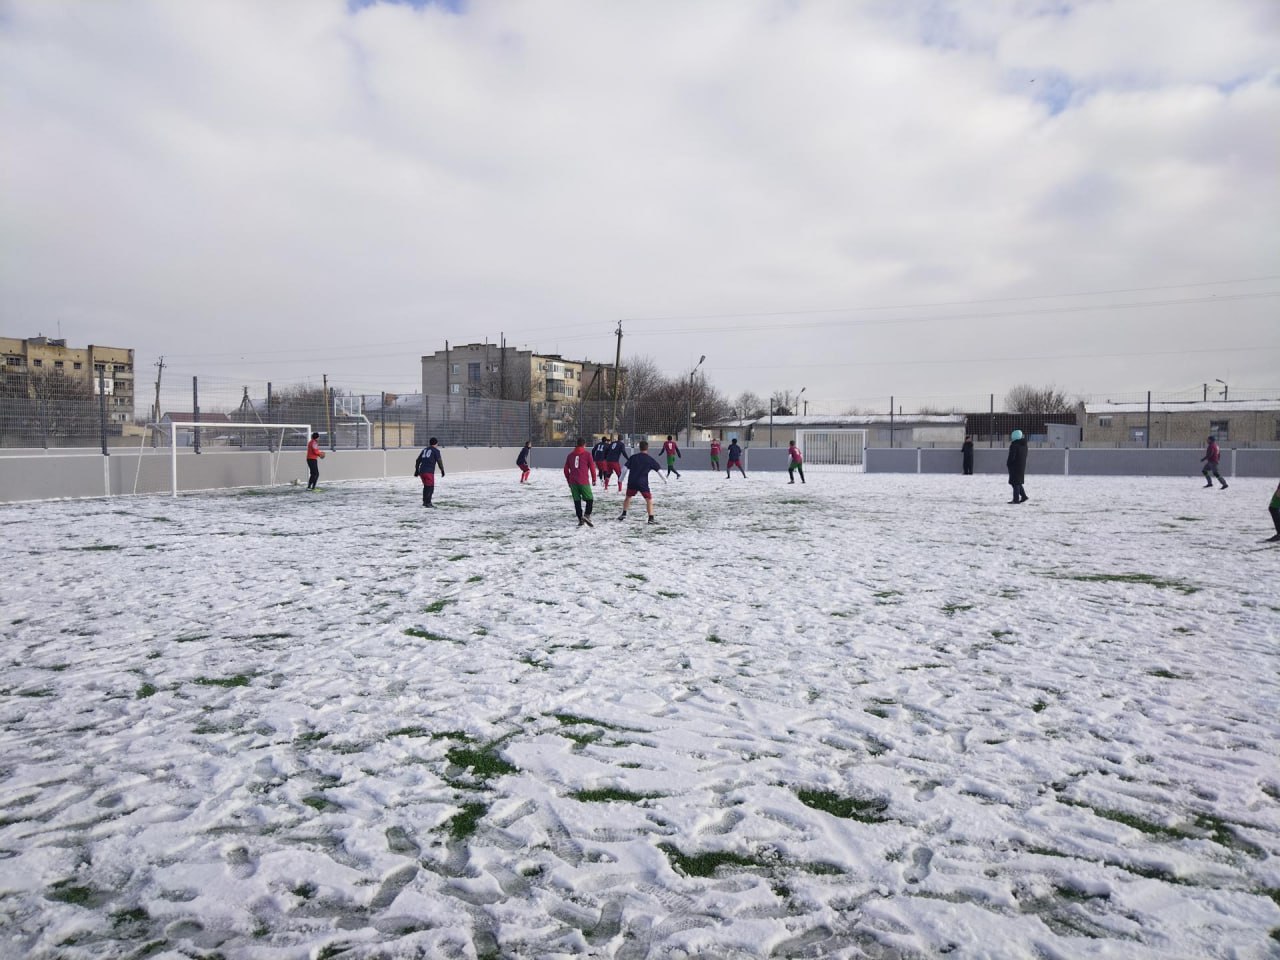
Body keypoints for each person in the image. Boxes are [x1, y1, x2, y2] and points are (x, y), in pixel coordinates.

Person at [618, 440, 662, 525]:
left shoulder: (633, 457)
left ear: (639, 447)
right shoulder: (649, 459)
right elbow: (659, 470)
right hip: (643, 483)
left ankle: (623, 514)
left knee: (628, 497)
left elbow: (624, 469)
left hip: (632, 481)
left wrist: (620, 479)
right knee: (648, 500)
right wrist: (665, 480)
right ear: (647, 448)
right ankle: (651, 518)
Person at [563, 437, 598, 526]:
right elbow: (592, 468)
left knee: (577, 501)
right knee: (590, 499)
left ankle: (580, 519)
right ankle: (586, 515)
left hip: (573, 482)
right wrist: (594, 479)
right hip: (583, 481)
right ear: (584, 445)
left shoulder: (570, 455)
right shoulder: (587, 454)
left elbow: (566, 469)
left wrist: (568, 480)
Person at [414, 437, 445, 507]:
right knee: (430, 487)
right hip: (429, 471)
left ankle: (425, 502)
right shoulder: (436, 451)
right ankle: (428, 502)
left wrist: (416, 470)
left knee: (426, 486)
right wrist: (442, 470)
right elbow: (439, 461)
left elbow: (418, 460)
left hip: (422, 471)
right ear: (436, 443)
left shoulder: (424, 450)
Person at [1007, 429, 1028, 503]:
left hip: (1014, 466)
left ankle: (1016, 500)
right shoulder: (1024, 445)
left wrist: (1008, 464)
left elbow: (1012, 457)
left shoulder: (1014, 445)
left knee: (1015, 483)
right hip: (1021, 466)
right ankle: (1024, 496)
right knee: (1018, 482)